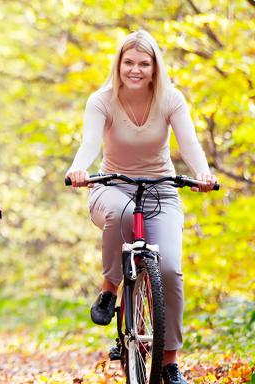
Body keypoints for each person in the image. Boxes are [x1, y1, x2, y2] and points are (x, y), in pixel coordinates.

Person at [65, 30, 216, 384]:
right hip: (111, 187)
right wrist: (79, 168)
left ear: (154, 68)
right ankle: (109, 288)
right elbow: (89, 142)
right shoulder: (101, 100)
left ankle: (169, 363)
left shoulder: (171, 99)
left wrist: (203, 173)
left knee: (169, 269)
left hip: (161, 190)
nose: (135, 70)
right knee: (119, 213)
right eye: (128, 63)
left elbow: (189, 143)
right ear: (118, 65)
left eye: (143, 64)